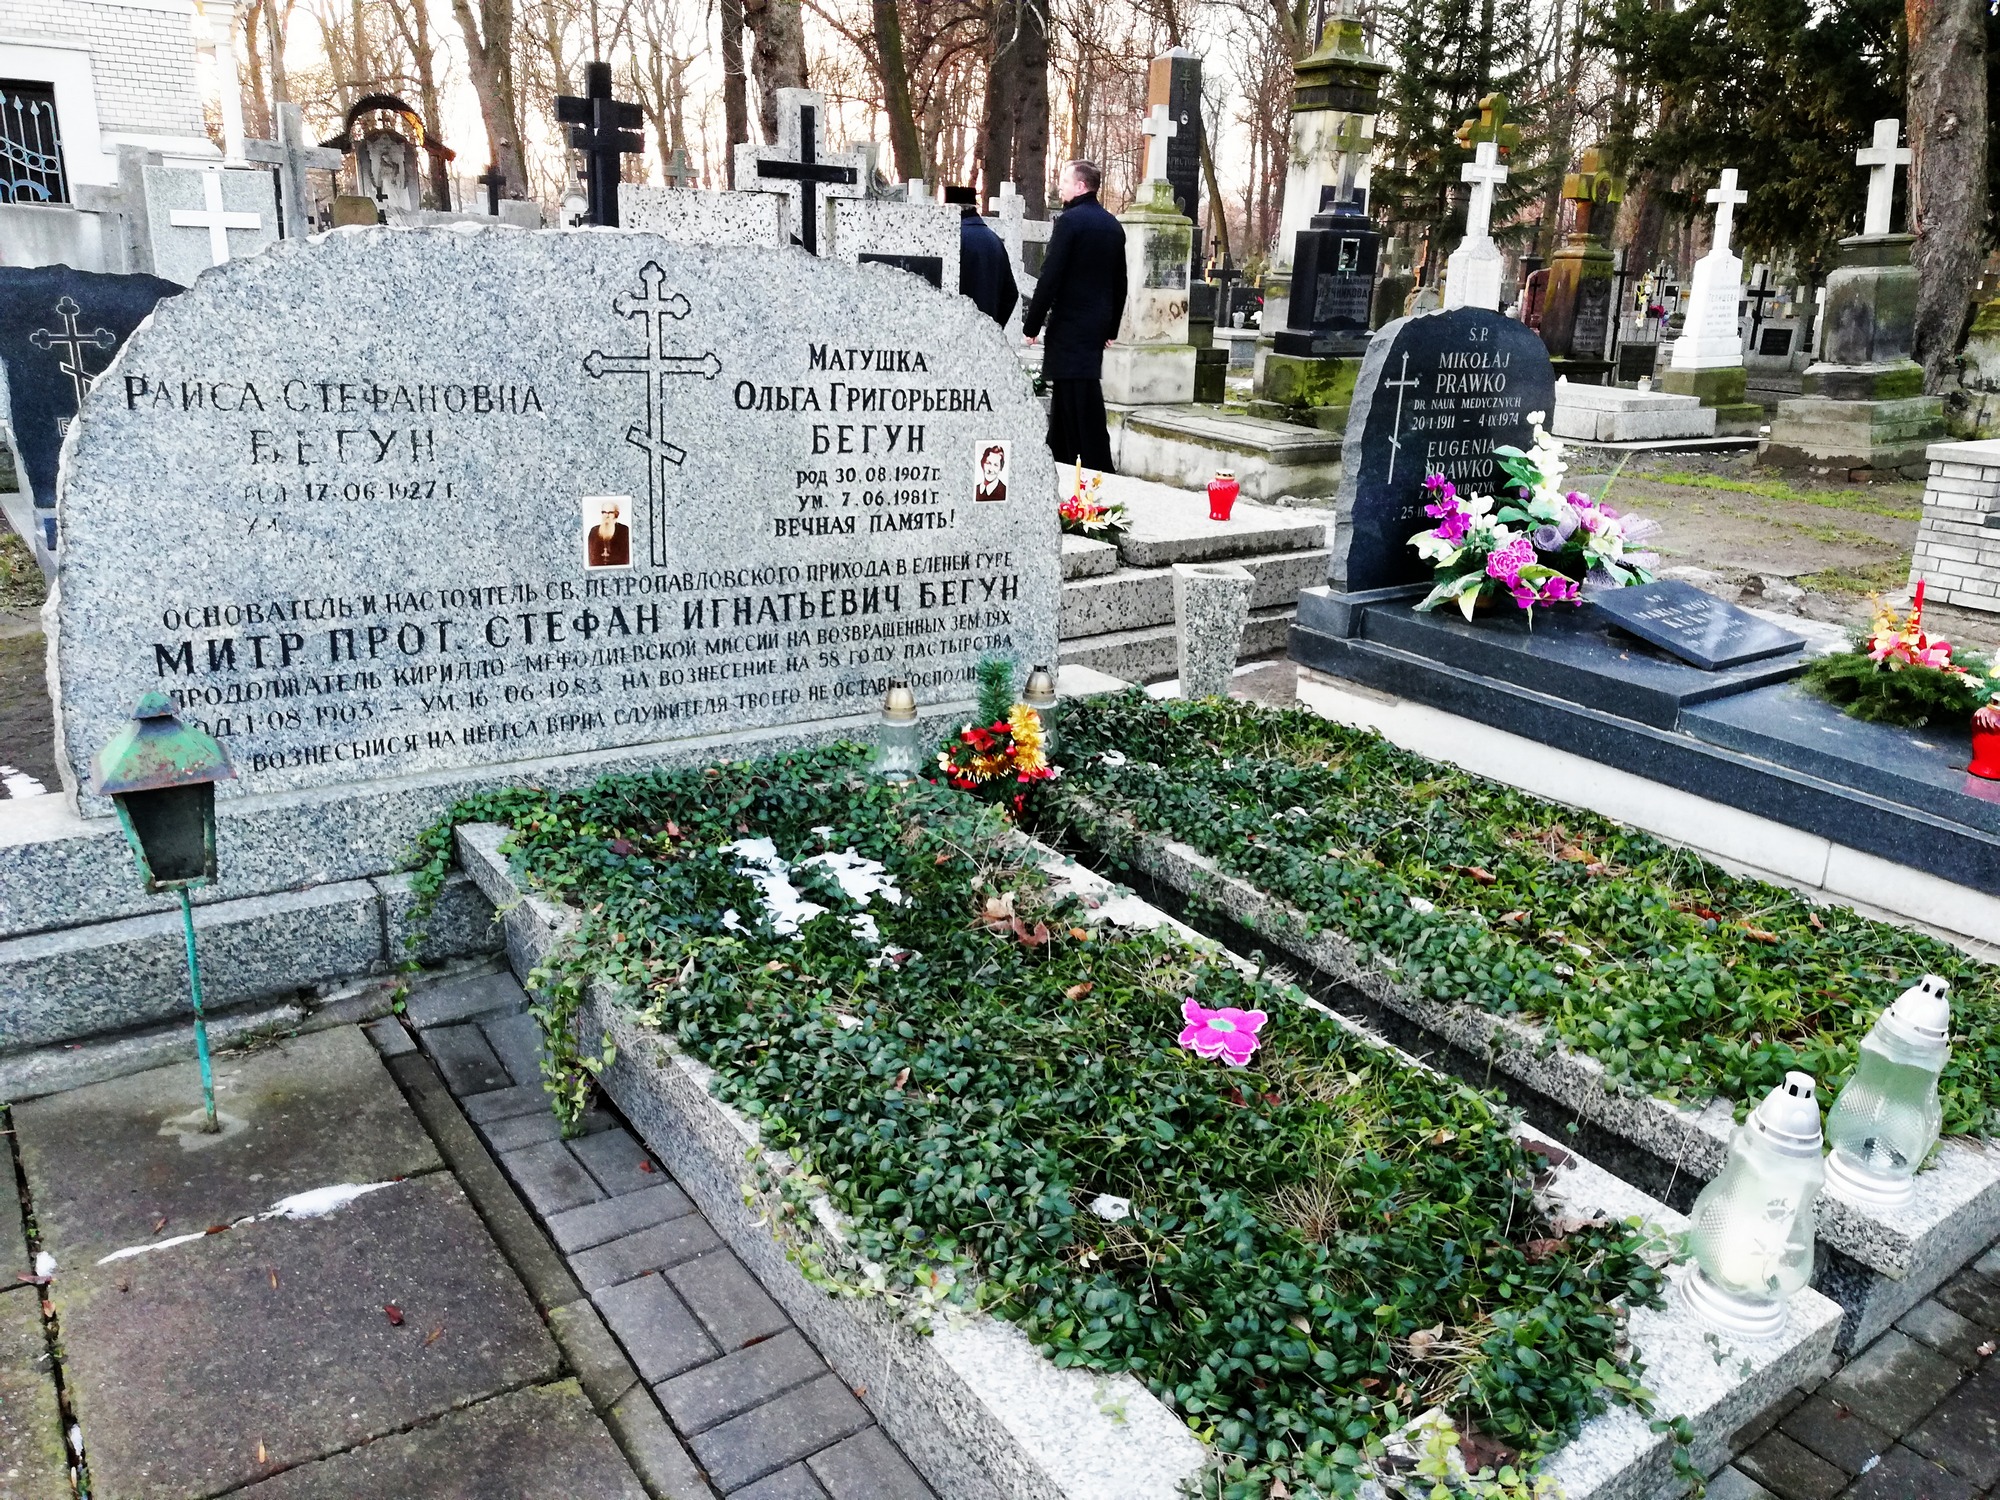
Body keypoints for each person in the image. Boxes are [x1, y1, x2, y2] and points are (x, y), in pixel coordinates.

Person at [1022, 161, 1125, 472]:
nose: (1060, 186)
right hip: (1094, 327)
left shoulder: (1070, 223)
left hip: (1069, 326)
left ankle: (1097, 467)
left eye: (1065, 181)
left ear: (1081, 186)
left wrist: (1032, 323)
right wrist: (1112, 327)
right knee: (1068, 398)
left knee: (1081, 399)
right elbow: (1120, 281)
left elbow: (1050, 275)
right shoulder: (1112, 225)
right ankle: (1060, 462)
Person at [945, 185, 1017, 327]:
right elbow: (1010, 294)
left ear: (951, 208)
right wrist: (994, 328)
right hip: (985, 334)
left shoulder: (950, 239)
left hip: (954, 332)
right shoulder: (994, 240)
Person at [586, 500, 630, 567]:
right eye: (604, 512)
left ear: (616, 514)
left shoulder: (625, 531)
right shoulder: (594, 531)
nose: (606, 516)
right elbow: (592, 556)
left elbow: (626, 556)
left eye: (610, 513)